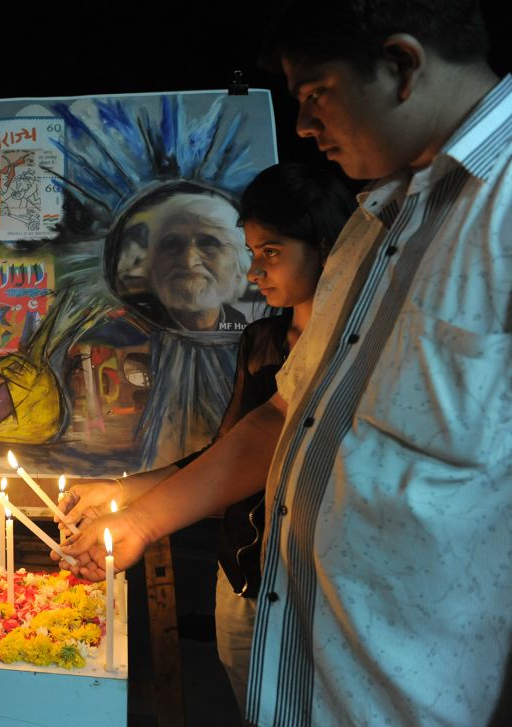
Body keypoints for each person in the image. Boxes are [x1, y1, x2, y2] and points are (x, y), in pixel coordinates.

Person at [62, 2, 511, 724]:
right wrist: (141, 521)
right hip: (299, 684)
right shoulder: (375, 223)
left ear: (400, 66)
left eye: (313, 95)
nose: (302, 126)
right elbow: (285, 413)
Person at [60, 162, 354, 714]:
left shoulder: (357, 349)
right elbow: (231, 452)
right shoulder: (264, 339)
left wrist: (139, 517)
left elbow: (272, 451)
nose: (253, 272)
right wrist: (125, 492)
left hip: (314, 587)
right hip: (240, 577)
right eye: (252, 252)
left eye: (272, 252)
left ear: (324, 245)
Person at [109, 182, 251, 332]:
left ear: (239, 269)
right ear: (151, 267)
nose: (188, 261)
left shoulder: (255, 338)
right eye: (171, 243)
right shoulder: (122, 334)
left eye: (209, 243)